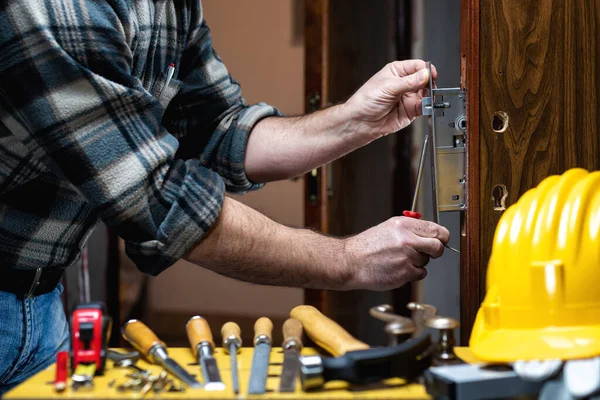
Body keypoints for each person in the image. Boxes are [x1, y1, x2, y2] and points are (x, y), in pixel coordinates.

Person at [0, 0, 449, 392]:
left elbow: (217, 128)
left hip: (42, 303)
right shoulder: (55, 7)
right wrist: (351, 259)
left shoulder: (171, 6)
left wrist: (358, 119)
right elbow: (156, 200)